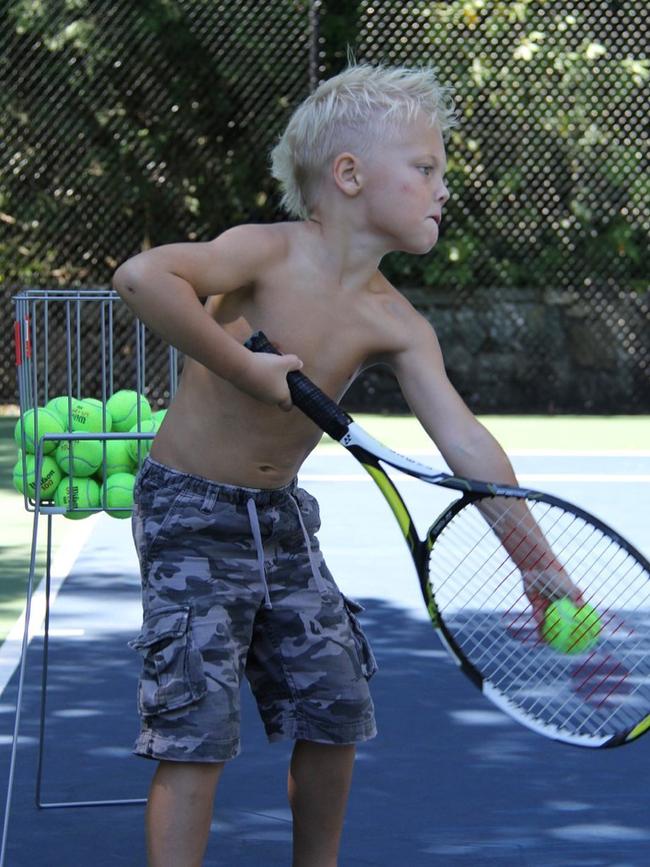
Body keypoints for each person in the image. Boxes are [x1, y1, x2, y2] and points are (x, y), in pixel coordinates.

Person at [113, 63, 546, 867]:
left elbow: (468, 445)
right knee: (195, 730)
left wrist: (539, 567)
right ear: (348, 175)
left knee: (335, 704)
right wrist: (246, 368)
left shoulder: (397, 321)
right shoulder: (265, 252)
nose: (442, 186)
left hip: (279, 520)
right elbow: (144, 278)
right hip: (187, 511)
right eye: (425, 168)